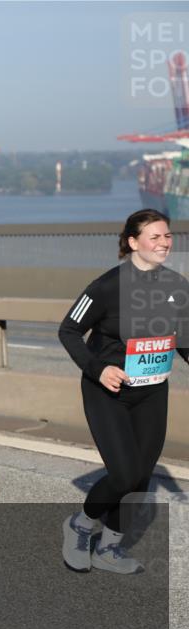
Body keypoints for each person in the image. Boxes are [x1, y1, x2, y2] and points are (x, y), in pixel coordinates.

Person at [59, 208, 188, 574]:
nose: (164, 243)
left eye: (167, 236)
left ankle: (109, 548)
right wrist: (99, 369)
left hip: (152, 391)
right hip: (107, 391)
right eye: (155, 237)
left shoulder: (178, 286)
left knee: (142, 477)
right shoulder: (106, 286)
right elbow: (68, 331)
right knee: (123, 474)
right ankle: (80, 526)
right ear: (133, 242)